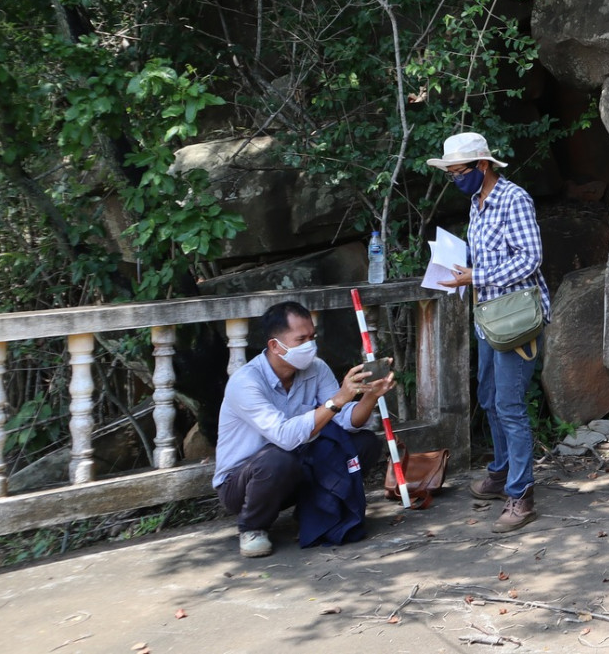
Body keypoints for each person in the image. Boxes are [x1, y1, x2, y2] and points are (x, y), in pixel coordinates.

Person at [429, 131, 549, 533]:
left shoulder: (512, 199)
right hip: (488, 315)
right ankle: (501, 472)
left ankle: (521, 494)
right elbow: (484, 257)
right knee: (489, 396)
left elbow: (530, 259)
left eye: (459, 171)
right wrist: (455, 267)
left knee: (510, 404)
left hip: (515, 318)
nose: (455, 179)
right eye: (451, 174)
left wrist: (475, 275)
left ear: (482, 165)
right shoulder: (476, 204)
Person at [213, 300, 395, 558]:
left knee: (364, 444)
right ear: (275, 346)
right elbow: (285, 438)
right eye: (301, 339)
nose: (310, 345)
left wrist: (369, 397)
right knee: (277, 460)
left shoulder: (316, 368)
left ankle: (313, 511)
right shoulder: (246, 382)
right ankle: (252, 527)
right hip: (244, 483)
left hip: (299, 465)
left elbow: (344, 421)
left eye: (313, 337)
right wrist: (338, 400)